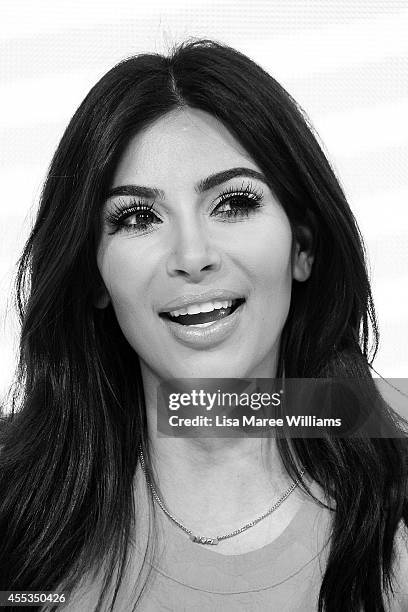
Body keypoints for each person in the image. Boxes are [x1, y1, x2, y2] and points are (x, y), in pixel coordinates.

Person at [0, 39, 407, 612]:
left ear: (304, 247)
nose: (192, 255)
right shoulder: (14, 521)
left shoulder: (398, 520)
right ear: (92, 273)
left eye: (234, 203)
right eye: (138, 217)